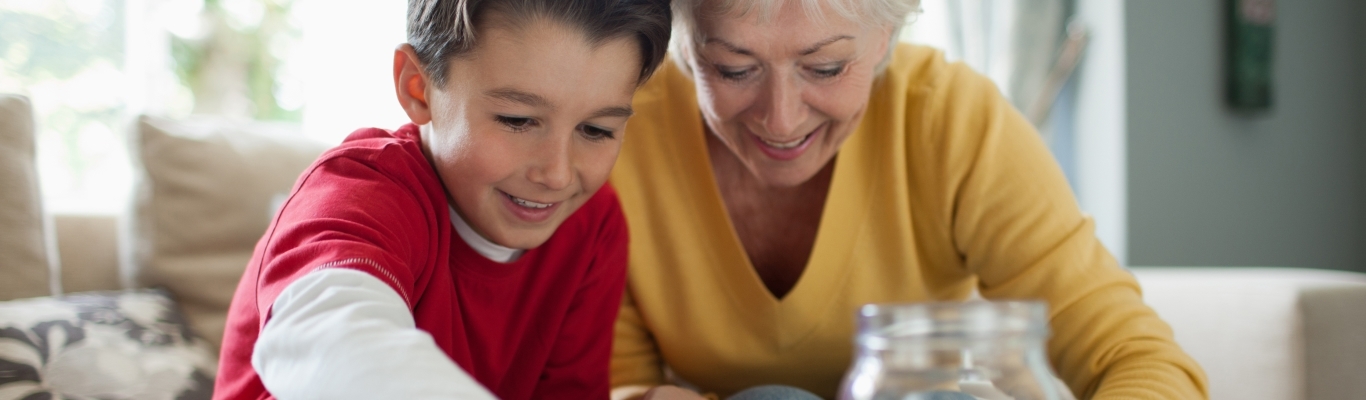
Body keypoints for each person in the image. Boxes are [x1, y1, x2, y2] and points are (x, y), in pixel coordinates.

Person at [607, 0, 1208, 399]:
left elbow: (1133, 356)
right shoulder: (617, 134)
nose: (781, 120)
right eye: (734, 69)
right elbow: (612, 381)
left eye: (826, 66)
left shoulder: (949, 119)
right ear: (683, 48)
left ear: (884, 39)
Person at [212, 0, 671, 398]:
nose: (556, 174)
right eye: (517, 120)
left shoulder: (593, 223)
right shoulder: (358, 191)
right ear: (419, 86)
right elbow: (332, 338)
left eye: (596, 130)